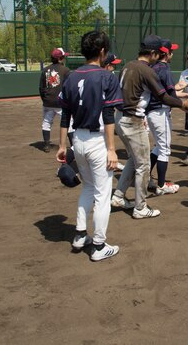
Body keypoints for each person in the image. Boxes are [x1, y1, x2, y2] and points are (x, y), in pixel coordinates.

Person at [110, 34, 188, 219]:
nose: (160, 56)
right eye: (158, 53)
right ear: (151, 53)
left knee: (135, 161)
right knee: (143, 165)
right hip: (132, 120)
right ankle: (140, 207)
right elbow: (164, 96)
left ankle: (118, 196)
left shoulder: (128, 65)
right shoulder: (146, 70)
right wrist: (183, 105)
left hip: (121, 117)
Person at [56, 31, 123, 261]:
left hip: (78, 141)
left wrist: (63, 145)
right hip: (97, 142)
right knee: (102, 194)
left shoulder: (71, 77)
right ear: (103, 51)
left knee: (87, 188)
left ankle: (80, 235)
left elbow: (65, 114)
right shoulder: (107, 77)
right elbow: (109, 114)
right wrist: (112, 148)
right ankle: (98, 246)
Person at [146, 38, 181, 195]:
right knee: (164, 149)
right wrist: (186, 106)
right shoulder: (164, 69)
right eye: (171, 51)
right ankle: (161, 185)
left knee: (158, 147)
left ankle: (147, 177)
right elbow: (171, 95)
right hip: (160, 111)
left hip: (150, 112)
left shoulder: (150, 66)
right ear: (167, 53)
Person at [39, 47, 70, 152]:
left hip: (48, 101)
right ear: (60, 59)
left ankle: (46, 145)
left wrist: (45, 100)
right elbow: (69, 87)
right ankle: (74, 145)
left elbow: (41, 88)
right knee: (69, 122)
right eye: (63, 57)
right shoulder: (65, 70)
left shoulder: (45, 70)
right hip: (61, 102)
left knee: (46, 122)